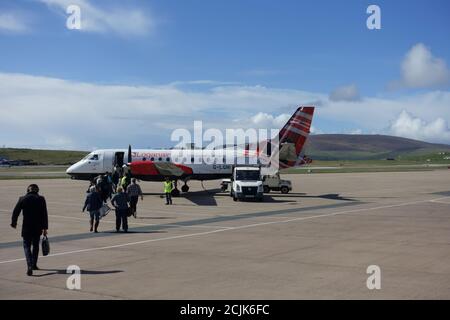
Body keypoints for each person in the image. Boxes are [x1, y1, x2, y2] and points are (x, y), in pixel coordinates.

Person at [11, 184, 48, 276]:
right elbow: (44, 214)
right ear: (37, 190)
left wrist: (14, 223)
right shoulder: (41, 199)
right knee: (35, 246)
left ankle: (29, 265)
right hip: (37, 227)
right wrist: (45, 228)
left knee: (26, 246)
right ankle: (34, 264)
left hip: (26, 227)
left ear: (28, 190)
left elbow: (15, 212)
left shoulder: (22, 198)